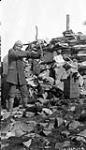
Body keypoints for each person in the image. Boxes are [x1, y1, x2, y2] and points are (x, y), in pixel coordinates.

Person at [6, 40, 41, 115]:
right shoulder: (11, 51)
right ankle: (10, 109)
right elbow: (17, 54)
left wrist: (37, 54)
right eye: (18, 46)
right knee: (11, 93)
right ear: (15, 45)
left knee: (24, 91)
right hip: (13, 76)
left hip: (20, 76)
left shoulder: (21, 52)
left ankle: (25, 105)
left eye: (20, 47)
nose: (19, 48)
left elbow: (26, 54)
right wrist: (29, 53)